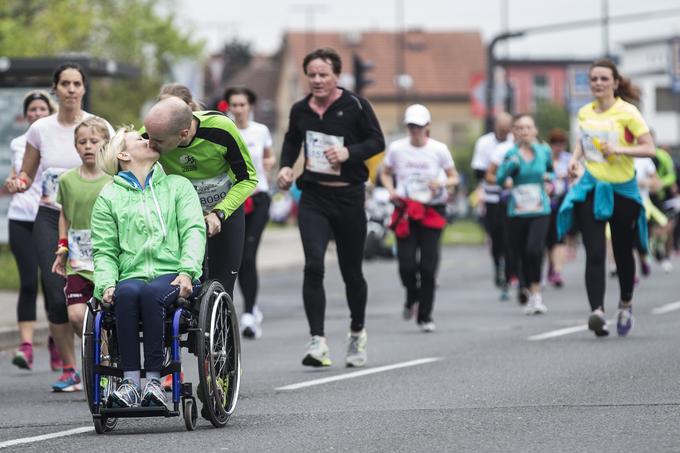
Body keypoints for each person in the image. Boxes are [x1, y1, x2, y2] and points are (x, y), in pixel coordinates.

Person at [277, 47, 385, 368]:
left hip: (349, 197)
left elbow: (377, 142)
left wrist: (349, 153)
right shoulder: (300, 110)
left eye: (323, 74)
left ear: (336, 75)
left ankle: (356, 332)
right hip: (314, 197)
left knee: (352, 273)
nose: (317, 80)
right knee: (313, 265)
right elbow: (291, 140)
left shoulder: (355, 105)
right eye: (312, 75)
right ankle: (318, 341)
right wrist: (286, 167)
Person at [12, 63, 113, 391]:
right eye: (65, 84)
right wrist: (19, 180)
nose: (71, 89)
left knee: (103, 290)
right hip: (51, 215)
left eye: (76, 84)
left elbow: (116, 170)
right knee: (56, 293)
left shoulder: (98, 127)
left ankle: (105, 356)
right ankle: (70, 368)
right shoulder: (41, 128)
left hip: (95, 219)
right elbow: (27, 173)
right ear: (55, 89)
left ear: (84, 89)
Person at [91, 127, 205, 408]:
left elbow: (193, 230)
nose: (148, 140)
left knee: (152, 293)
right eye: (140, 139)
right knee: (127, 294)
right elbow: (105, 250)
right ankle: (130, 383)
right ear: (124, 154)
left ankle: (154, 382)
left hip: (174, 273)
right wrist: (106, 283)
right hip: (131, 274)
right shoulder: (108, 197)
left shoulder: (178, 186)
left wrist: (187, 271)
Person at [557, 58, 655, 338]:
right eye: (594, 79)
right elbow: (583, 142)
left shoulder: (628, 112)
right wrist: (575, 161)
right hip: (591, 186)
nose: (598, 83)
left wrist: (620, 150)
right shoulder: (585, 112)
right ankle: (597, 312)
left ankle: (625, 304)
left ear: (614, 82)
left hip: (622, 188)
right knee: (595, 251)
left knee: (623, 251)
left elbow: (648, 147)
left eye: (603, 78)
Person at [142, 97, 257, 301]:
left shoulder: (221, 129)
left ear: (183, 134)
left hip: (224, 209)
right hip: (184, 214)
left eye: (157, 142)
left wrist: (219, 213)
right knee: (186, 286)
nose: (149, 145)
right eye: (149, 137)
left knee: (221, 288)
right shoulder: (154, 132)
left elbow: (248, 179)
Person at [380, 104, 459, 332]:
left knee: (428, 266)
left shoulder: (438, 149)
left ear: (427, 127)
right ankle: (411, 295)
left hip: (432, 209)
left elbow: (453, 177)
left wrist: (442, 182)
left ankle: (425, 315)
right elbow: (385, 172)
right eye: (411, 126)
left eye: (419, 126)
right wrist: (391, 190)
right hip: (406, 209)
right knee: (406, 265)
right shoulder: (396, 148)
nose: (415, 130)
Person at [5, 90, 59, 371]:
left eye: (41, 109)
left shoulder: (56, 141)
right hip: (20, 216)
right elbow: (19, 175)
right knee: (27, 282)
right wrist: (13, 182)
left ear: (49, 112)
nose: (36, 114)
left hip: (48, 217)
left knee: (52, 287)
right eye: (32, 110)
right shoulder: (17, 143)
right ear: (26, 114)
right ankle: (25, 347)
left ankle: (55, 341)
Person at [51, 117, 112, 337]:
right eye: (82, 141)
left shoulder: (113, 179)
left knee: (108, 314)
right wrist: (62, 247)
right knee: (77, 316)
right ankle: (95, 353)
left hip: (108, 257)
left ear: (105, 143)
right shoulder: (67, 180)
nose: (87, 146)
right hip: (78, 260)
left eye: (94, 141)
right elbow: (64, 215)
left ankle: (107, 361)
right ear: (75, 146)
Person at [224, 86, 276, 339]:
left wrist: (271, 163)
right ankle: (245, 309)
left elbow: (268, 157)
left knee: (248, 255)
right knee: (235, 257)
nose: (238, 109)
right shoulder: (225, 130)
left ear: (250, 107)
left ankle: (249, 312)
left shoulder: (261, 131)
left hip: (258, 198)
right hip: (234, 199)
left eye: (242, 105)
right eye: (234, 105)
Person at [496, 114, 554, 315]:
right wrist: (508, 169)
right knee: (519, 253)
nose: (525, 131)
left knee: (534, 249)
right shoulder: (511, 153)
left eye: (528, 127)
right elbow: (499, 179)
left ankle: (536, 294)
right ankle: (526, 288)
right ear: (515, 132)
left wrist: (550, 182)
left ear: (535, 130)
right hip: (517, 210)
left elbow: (551, 172)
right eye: (520, 128)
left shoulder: (544, 151)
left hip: (540, 209)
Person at [471, 114, 515, 295]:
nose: (504, 132)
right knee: (496, 237)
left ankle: (510, 272)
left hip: (513, 198)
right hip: (492, 198)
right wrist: (499, 179)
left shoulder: (515, 143)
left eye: (507, 129)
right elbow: (478, 172)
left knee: (510, 238)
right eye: (501, 129)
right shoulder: (484, 143)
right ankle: (498, 265)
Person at [545, 129, 572, 287]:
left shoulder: (568, 159)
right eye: (556, 144)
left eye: (561, 144)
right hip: (547, 203)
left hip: (563, 202)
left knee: (560, 238)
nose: (559, 147)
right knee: (548, 240)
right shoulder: (545, 159)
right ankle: (551, 265)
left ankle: (557, 270)